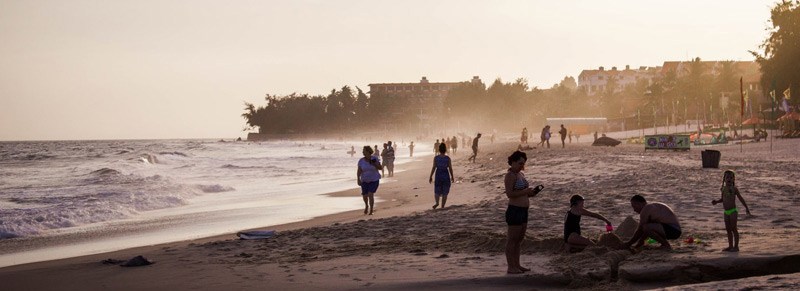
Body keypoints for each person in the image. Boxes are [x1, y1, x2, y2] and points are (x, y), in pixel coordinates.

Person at [504, 151, 543, 274]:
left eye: (523, 163)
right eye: (520, 163)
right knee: (512, 239)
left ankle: (517, 264)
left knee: (519, 239)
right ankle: (511, 267)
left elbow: (522, 193)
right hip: (514, 210)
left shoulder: (521, 174)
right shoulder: (510, 175)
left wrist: (531, 193)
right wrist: (525, 191)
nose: (522, 166)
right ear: (513, 162)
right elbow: (510, 194)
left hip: (524, 210)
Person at [712, 170, 751, 252]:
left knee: (734, 229)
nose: (729, 179)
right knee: (728, 229)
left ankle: (736, 247)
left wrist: (746, 208)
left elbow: (741, 199)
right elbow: (723, 199)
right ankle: (730, 246)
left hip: (733, 211)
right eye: (727, 177)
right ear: (724, 179)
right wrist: (716, 202)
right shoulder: (723, 189)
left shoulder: (734, 189)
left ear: (733, 180)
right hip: (726, 212)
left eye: (731, 178)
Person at [357, 146, 382, 215]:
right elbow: (359, 170)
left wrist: (374, 164)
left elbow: (380, 168)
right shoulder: (361, 161)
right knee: (365, 195)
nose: (363, 152)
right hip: (364, 180)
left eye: (364, 151)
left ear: (368, 152)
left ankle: (371, 210)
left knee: (370, 194)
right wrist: (358, 178)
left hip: (374, 179)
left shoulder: (374, 158)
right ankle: (366, 206)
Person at [428, 143, 454, 210]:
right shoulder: (447, 158)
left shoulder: (436, 158)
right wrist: (452, 176)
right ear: (445, 150)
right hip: (445, 174)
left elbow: (434, 167)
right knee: (445, 190)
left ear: (439, 150)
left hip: (438, 175)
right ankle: (442, 206)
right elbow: (450, 168)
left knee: (437, 189)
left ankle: (437, 203)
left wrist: (430, 176)